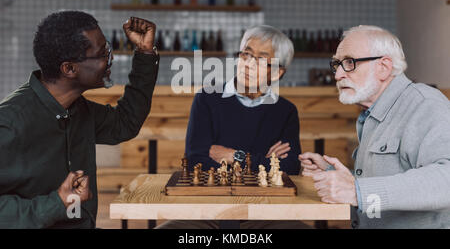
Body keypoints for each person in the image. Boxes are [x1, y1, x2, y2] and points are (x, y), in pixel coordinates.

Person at [0, 11, 159, 228]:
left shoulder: (76, 109)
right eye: (102, 54)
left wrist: (145, 53)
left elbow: (125, 123)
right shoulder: (9, 123)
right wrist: (56, 203)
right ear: (69, 69)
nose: (109, 60)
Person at [298, 25, 450, 229]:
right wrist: (332, 173)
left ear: (384, 67)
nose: (338, 75)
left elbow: (446, 180)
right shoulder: (372, 114)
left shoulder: (425, 104)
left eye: (350, 63)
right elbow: (383, 183)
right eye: (337, 64)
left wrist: (357, 191)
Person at [157, 25, 305, 229]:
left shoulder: (285, 111)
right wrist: (263, 162)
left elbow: (289, 170)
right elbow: (195, 162)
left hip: (265, 212)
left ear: (277, 73)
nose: (249, 64)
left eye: (261, 59)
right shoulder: (207, 99)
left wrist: (235, 156)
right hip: (208, 209)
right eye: (246, 54)